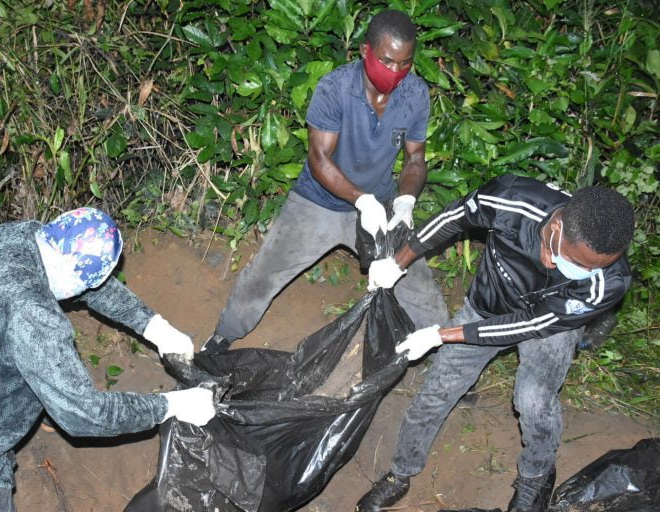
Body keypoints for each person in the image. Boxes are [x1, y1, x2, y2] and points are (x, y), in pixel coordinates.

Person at [0, 207, 216, 511]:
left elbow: (87, 282)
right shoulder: (31, 312)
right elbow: (85, 416)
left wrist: (154, 326)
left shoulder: (14, 238)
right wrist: (171, 405)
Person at [355, 174, 635, 512]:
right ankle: (401, 471)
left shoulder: (609, 282)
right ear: (557, 226)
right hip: (488, 302)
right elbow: (451, 219)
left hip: (550, 326)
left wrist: (440, 335)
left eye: (590, 268)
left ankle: (536, 475)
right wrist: (397, 263)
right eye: (574, 262)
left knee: (534, 400)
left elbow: (527, 325)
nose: (575, 272)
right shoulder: (512, 200)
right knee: (438, 388)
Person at [202, 9, 448, 353]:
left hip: (382, 202)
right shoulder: (335, 88)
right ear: (366, 51)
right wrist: (361, 200)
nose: (396, 72)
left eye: (405, 64)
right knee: (264, 274)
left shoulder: (415, 94)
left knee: (418, 282)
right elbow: (319, 160)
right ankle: (221, 337)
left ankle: (447, 354)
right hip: (319, 201)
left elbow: (415, 160)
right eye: (388, 61)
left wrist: (405, 201)